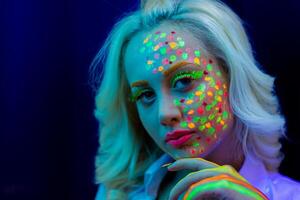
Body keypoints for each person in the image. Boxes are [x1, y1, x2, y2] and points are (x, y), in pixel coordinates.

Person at [89, 0, 300, 199]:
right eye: (146, 95)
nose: (165, 113)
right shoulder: (120, 194)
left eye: (183, 81)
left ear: (232, 75)